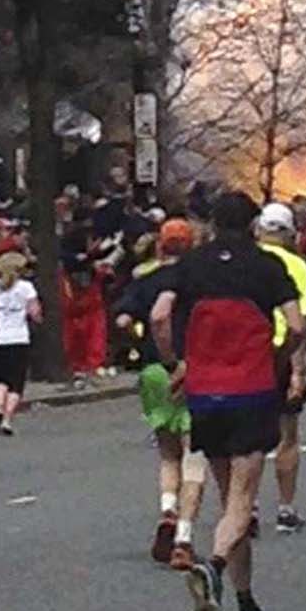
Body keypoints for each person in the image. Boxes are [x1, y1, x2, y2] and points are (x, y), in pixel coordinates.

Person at [151, 192, 305, 611]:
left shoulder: (190, 266)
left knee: (227, 501)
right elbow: (296, 326)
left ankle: (248, 607)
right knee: (242, 503)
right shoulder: (267, 266)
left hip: (204, 391)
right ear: (254, 225)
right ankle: (214, 568)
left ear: (213, 224)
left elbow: (160, 315)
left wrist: (175, 363)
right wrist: (278, 358)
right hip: (252, 389)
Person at [117, 218, 204, 571]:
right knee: (193, 454)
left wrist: (136, 346)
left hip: (153, 370)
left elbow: (123, 319)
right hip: (191, 369)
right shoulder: (199, 281)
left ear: (161, 245)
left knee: (168, 453)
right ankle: (184, 538)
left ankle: (168, 508)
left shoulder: (145, 279)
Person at [257, 202, 306, 534]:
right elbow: (298, 323)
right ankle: (286, 508)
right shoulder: (297, 265)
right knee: (287, 435)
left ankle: (247, 504)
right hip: (282, 352)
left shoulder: (247, 261)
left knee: (248, 435)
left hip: (249, 353)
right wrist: (298, 371)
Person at [0, 252, 41, 436]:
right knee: (16, 382)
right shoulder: (26, 288)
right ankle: (7, 420)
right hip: (18, 338)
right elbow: (35, 313)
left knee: (0, 378)